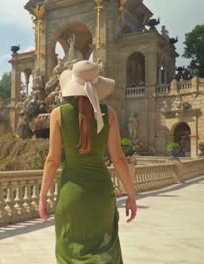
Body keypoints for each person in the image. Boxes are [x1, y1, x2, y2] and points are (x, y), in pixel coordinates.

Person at [38, 60, 137, 263]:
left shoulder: (58, 114)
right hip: (101, 195)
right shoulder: (108, 114)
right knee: (103, 252)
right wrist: (131, 195)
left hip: (71, 195)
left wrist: (42, 196)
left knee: (70, 253)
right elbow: (118, 158)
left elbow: (52, 160)